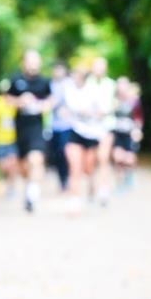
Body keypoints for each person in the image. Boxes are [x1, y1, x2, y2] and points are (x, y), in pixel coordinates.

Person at [6, 49, 53, 213]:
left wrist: (42, 106)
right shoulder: (15, 80)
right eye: (30, 60)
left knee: (36, 159)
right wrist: (20, 101)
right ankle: (29, 189)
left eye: (36, 60)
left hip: (37, 128)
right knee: (24, 168)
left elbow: (51, 100)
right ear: (24, 62)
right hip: (20, 129)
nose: (33, 63)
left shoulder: (45, 82)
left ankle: (33, 195)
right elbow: (7, 99)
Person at [62, 65, 106, 214]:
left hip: (92, 133)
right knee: (75, 167)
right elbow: (65, 108)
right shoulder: (68, 90)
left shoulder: (94, 91)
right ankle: (75, 201)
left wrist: (91, 113)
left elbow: (102, 111)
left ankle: (93, 186)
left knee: (88, 168)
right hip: (75, 132)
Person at [89, 57, 117, 206]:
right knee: (91, 160)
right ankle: (92, 186)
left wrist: (105, 111)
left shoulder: (111, 85)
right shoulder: (87, 85)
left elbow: (115, 104)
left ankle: (104, 189)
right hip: (89, 128)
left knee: (103, 157)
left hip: (106, 126)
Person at [112, 77, 143, 191]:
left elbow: (138, 118)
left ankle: (129, 177)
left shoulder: (134, 100)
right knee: (118, 158)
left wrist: (138, 130)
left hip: (130, 133)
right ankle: (119, 184)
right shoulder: (114, 100)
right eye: (119, 85)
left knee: (129, 159)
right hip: (118, 132)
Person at [48, 62, 72, 192]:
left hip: (67, 126)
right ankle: (62, 180)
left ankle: (68, 177)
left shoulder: (69, 84)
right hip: (53, 126)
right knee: (56, 154)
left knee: (65, 152)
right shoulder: (50, 85)